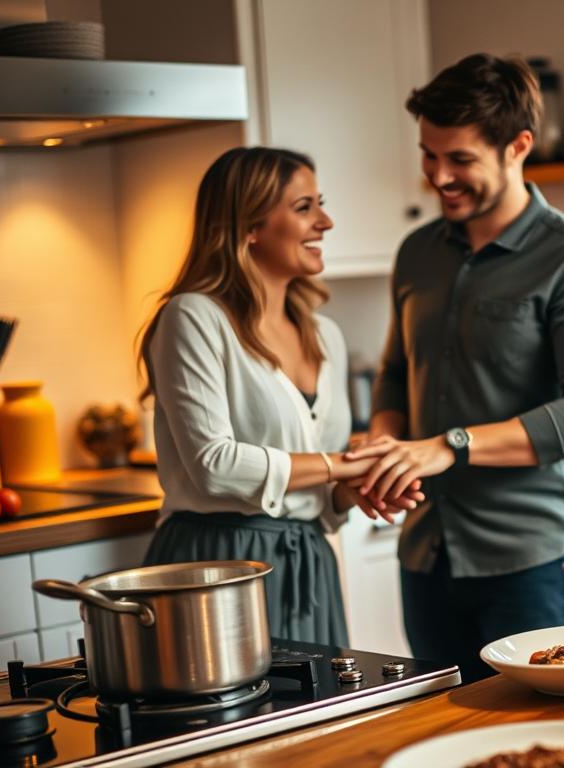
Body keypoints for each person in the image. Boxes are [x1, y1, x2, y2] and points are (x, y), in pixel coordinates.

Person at [346, 54, 564, 681]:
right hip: (425, 554)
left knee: (533, 729)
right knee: (440, 727)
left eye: (460, 159)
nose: (439, 177)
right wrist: (384, 445)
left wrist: (449, 446)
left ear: (517, 147)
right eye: (428, 155)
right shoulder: (416, 253)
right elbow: (395, 372)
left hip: (528, 562)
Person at [137, 146, 422, 647]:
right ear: (249, 225)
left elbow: (316, 490)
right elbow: (212, 465)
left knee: (322, 699)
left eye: (320, 205)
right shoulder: (194, 317)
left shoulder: (324, 335)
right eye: (304, 207)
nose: (325, 223)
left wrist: (354, 488)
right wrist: (340, 465)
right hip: (219, 567)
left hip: (308, 563)